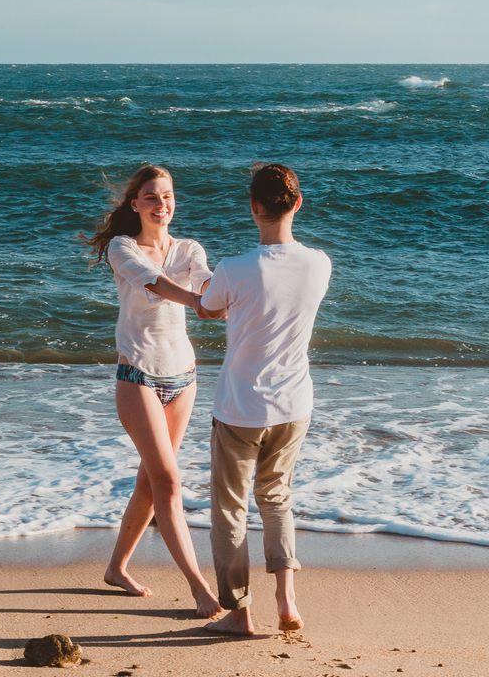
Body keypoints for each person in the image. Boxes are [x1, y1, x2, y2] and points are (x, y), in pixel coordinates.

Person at [193, 163, 331, 636]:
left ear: (253, 208)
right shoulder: (320, 263)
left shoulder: (233, 269)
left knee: (230, 509)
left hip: (239, 406)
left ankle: (239, 614)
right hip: (295, 405)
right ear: (297, 203)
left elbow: (208, 309)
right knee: (276, 499)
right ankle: (286, 597)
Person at [83, 164, 223, 619]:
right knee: (168, 482)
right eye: (150, 197)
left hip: (183, 377)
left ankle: (116, 568)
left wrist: (218, 294)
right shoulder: (123, 249)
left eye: (166, 196)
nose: (161, 204)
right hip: (138, 376)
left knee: (150, 481)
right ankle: (201, 588)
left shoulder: (188, 247)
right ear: (134, 204)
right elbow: (153, 282)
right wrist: (198, 302)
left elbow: (203, 277)